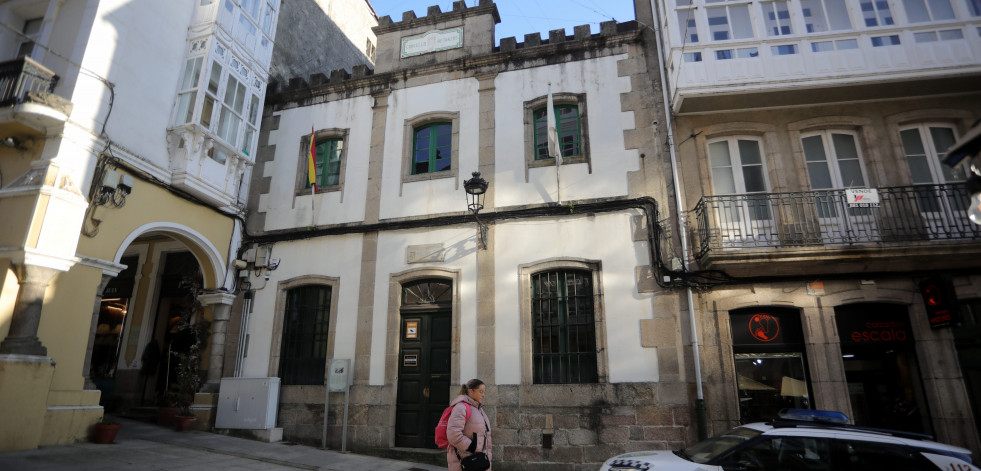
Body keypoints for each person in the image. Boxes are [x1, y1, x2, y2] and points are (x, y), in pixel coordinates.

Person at [446, 378, 492, 471]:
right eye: (481, 391)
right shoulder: (461, 407)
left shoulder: (478, 408)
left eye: (484, 392)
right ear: (471, 391)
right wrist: (471, 446)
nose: (483, 395)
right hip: (468, 461)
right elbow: (453, 434)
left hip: (479, 460)